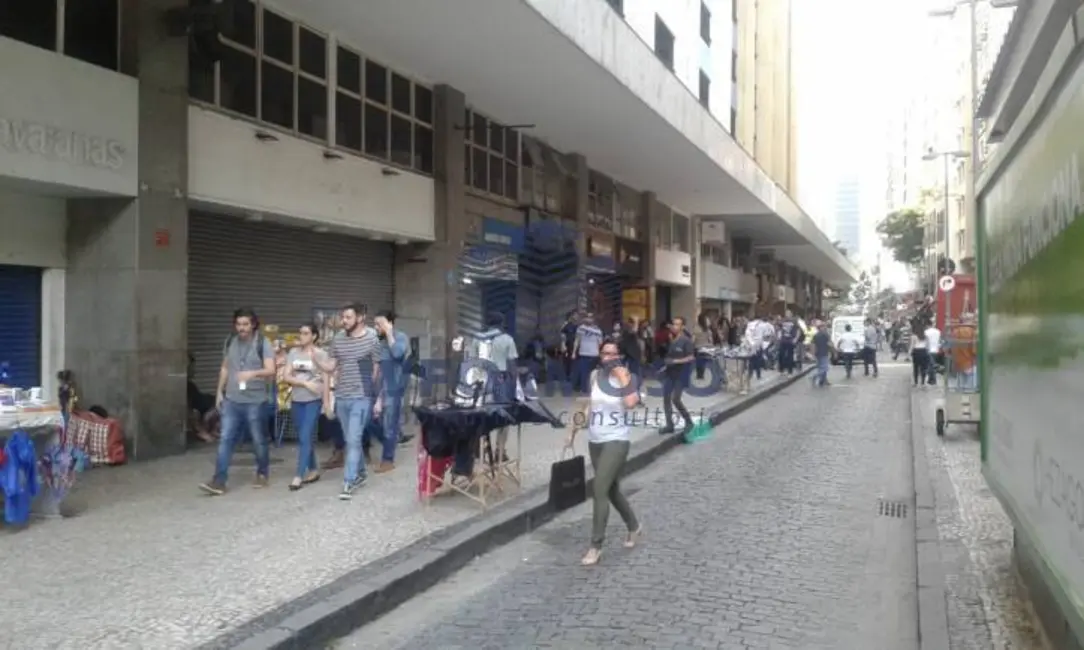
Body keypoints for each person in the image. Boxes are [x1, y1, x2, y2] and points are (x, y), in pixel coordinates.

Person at [566, 339, 642, 566]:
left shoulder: (626, 377)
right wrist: (574, 429)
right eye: (604, 354)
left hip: (617, 441)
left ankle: (595, 546)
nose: (608, 358)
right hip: (595, 440)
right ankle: (634, 526)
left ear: (619, 356)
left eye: (613, 354)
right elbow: (591, 405)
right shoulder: (594, 376)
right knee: (611, 490)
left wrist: (621, 378)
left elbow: (630, 403)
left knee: (599, 488)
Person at [199, 308, 276, 495]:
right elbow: (225, 368)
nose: (241, 328)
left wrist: (252, 373)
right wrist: (219, 392)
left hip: (255, 401)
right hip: (232, 400)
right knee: (225, 439)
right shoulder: (230, 341)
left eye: (245, 324)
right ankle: (219, 480)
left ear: (253, 324)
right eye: (238, 324)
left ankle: (262, 472)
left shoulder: (263, 343)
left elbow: (271, 370)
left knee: (258, 439)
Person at [315, 303, 382, 500]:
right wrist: (316, 358)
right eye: (343, 317)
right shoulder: (338, 339)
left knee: (353, 439)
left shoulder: (372, 339)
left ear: (360, 318)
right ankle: (361, 474)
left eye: (348, 317)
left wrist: (375, 397)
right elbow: (331, 366)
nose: (343, 321)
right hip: (342, 397)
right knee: (350, 440)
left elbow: (377, 369)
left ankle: (349, 481)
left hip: (361, 397)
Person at [283, 323, 326, 490]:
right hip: (297, 399)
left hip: (313, 401)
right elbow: (286, 376)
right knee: (303, 436)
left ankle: (298, 475)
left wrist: (326, 399)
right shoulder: (293, 353)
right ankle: (313, 469)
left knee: (305, 436)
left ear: (314, 336)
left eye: (306, 333)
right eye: (300, 333)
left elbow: (326, 378)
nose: (302, 336)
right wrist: (305, 384)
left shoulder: (321, 354)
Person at [370, 310, 410, 473]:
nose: (376, 327)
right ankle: (392, 440)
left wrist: (389, 334)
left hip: (393, 388)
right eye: (375, 324)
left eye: (379, 324)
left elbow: (398, 353)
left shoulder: (400, 338)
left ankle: (388, 459)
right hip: (379, 387)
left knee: (388, 424)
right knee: (370, 420)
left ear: (389, 323)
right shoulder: (378, 342)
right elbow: (377, 366)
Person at [659, 317, 695, 435]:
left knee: (676, 399)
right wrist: (665, 365)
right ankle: (670, 425)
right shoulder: (672, 339)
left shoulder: (686, 341)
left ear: (682, 327)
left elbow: (691, 357)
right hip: (670, 373)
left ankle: (689, 422)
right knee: (666, 399)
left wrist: (675, 361)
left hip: (681, 374)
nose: (674, 326)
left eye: (677, 324)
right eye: (673, 324)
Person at [571, 312, 603, 395]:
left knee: (593, 374)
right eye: (587, 317)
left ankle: (592, 389)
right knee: (583, 373)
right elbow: (577, 340)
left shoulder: (598, 330)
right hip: (583, 354)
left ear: (593, 319)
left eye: (591, 317)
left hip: (594, 354)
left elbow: (600, 343)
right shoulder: (580, 328)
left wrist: (601, 354)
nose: (589, 319)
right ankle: (584, 390)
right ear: (584, 318)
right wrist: (574, 352)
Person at [810, 320, 833, 387]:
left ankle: (823, 381)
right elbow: (830, 343)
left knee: (821, 367)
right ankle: (814, 376)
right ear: (820, 328)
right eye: (823, 326)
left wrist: (813, 354)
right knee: (825, 368)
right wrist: (834, 351)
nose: (825, 327)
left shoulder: (815, 335)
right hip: (824, 353)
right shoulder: (826, 334)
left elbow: (812, 345)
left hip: (818, 354)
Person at [693, 314, 715, 381]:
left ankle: (700, 375)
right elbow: (711, 341)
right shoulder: (707, 330)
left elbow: (693, 340)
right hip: (705, 349)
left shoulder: (696, 328)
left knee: (701, 359)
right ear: (704, 320)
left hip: (700, 348)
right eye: (707, 320)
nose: (709, 321)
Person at [777, 310, 799, 376]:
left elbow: (798, 330)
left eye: (789, 313)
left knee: (790, 356)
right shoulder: (783, 320)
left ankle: (790, 371)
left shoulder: (794, 321)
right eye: (786, 313)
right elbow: (779, 328)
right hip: (783, 340)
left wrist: (796, 339)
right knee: (781, 355)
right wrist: (779, 336)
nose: (787, 315)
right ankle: (781, 370)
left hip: (790, 340)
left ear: (791, 314)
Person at [910, 322, 931, 387]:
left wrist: (909, 353)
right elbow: (928, 346)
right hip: (924, 351)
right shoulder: (926, 336)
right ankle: (923, 382)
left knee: (915, 368)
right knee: (923, 368)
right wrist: (927, 352)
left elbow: (912, 345)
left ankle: (915, 382)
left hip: (916, 352)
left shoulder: (913, 336)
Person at [924, 320, 942, 386]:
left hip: (929, 350)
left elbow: (926, 342)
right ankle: (930, 379)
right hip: (936, 350)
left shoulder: (926, 332)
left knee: (931, 365)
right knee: (931, 364)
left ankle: (933, 380)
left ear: (927, 325)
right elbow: (940, 340)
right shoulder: (938, 331)